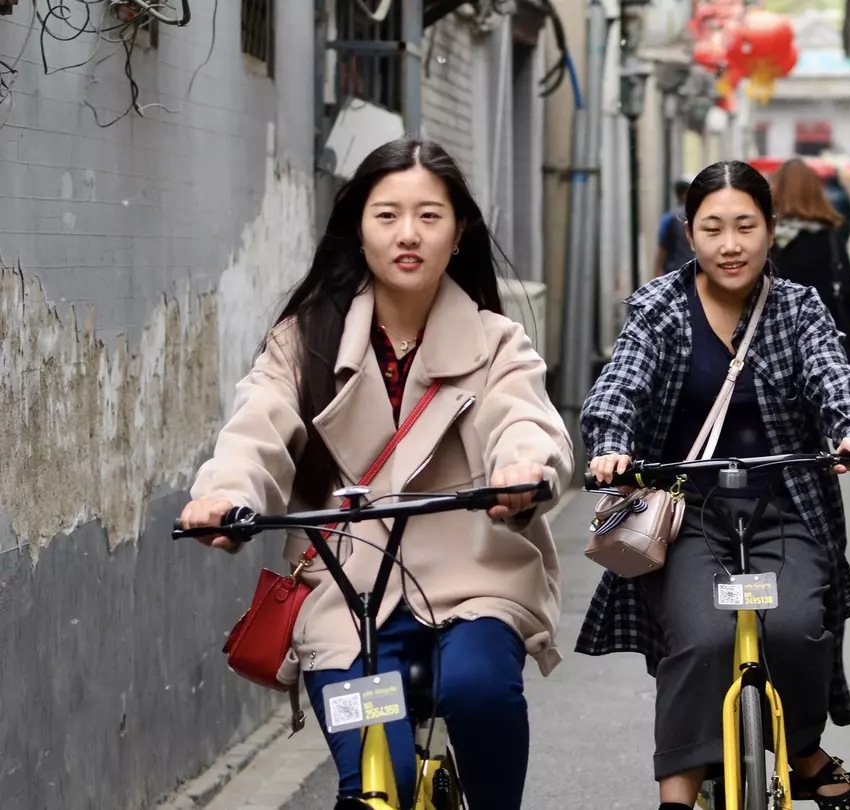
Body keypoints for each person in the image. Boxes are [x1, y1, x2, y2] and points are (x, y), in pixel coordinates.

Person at [178, 136, 572, 810]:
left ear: (459, 232)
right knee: (371, 776)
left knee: (479, 691)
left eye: (429, 215)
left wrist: (522, 466)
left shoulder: (496, 342)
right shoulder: (304, 341)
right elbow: (258, 427)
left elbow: (523, 416)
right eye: (386, 215)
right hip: (347, 592)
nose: (407, 234)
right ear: (357, 228)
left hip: (471, 578)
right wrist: (225, 493)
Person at [579, 159, 850, 810]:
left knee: (799, 628)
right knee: (703, 637)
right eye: (712, 227)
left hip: (785, 508)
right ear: (689, 234)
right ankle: (675, 797)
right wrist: (610, 445)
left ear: (771, 229)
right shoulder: (660, 306)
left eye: (745, 225)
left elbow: (834, 375)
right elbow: (620, 383)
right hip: (686, 514)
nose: (730, 243)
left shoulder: (798, 308)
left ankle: (800, 750)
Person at [769, 158, 850, 392]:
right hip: (825, 345)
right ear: (815, 191)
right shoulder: (829, 237)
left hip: (774, 346)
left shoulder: (764, 241)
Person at [654, 178, 696, 277]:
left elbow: (663, 247)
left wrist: (657, 272)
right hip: (695, 270)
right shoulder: (697, 215)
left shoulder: (668, 217)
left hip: (674, 271)